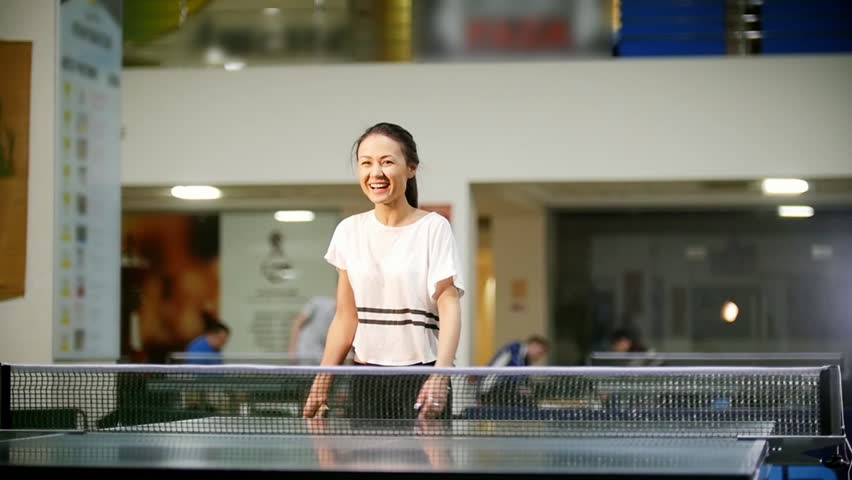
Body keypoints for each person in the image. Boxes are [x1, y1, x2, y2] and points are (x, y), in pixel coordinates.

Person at [303, 122, 464, 421]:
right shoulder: (349, 231)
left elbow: (449, 303)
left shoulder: (433, 227)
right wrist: (322, 380)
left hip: (423, 378)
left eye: (387, 162)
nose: (375, 173)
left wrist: (441, 375)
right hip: (366, 380)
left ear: (411, 169)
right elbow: (346, 317)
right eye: (366, 163)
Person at [479, 335, 550, 405]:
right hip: (493, 392)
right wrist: (483, 392)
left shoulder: (526, 360)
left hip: (506, 393)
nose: (539, 357)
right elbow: (494, 368)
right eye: (540, 352)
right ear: (534, 345)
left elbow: (521, 382)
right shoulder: (514, 349)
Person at [288, 295, 336, 364]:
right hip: (304, 354)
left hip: (321, 357)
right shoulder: (318, 303)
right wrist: (292, 350)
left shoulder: (347, 316)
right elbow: (297, 324)